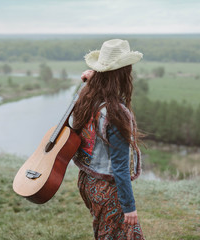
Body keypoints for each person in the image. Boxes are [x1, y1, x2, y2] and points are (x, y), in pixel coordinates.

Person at [72, 39, 145, 239]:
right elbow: (119, 168)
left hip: (87, 181)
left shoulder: (86, 98)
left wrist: (93, 78)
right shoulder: (116, 114)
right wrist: (129, 207)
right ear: (123, 74)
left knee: (104, 233)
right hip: (108, 189)